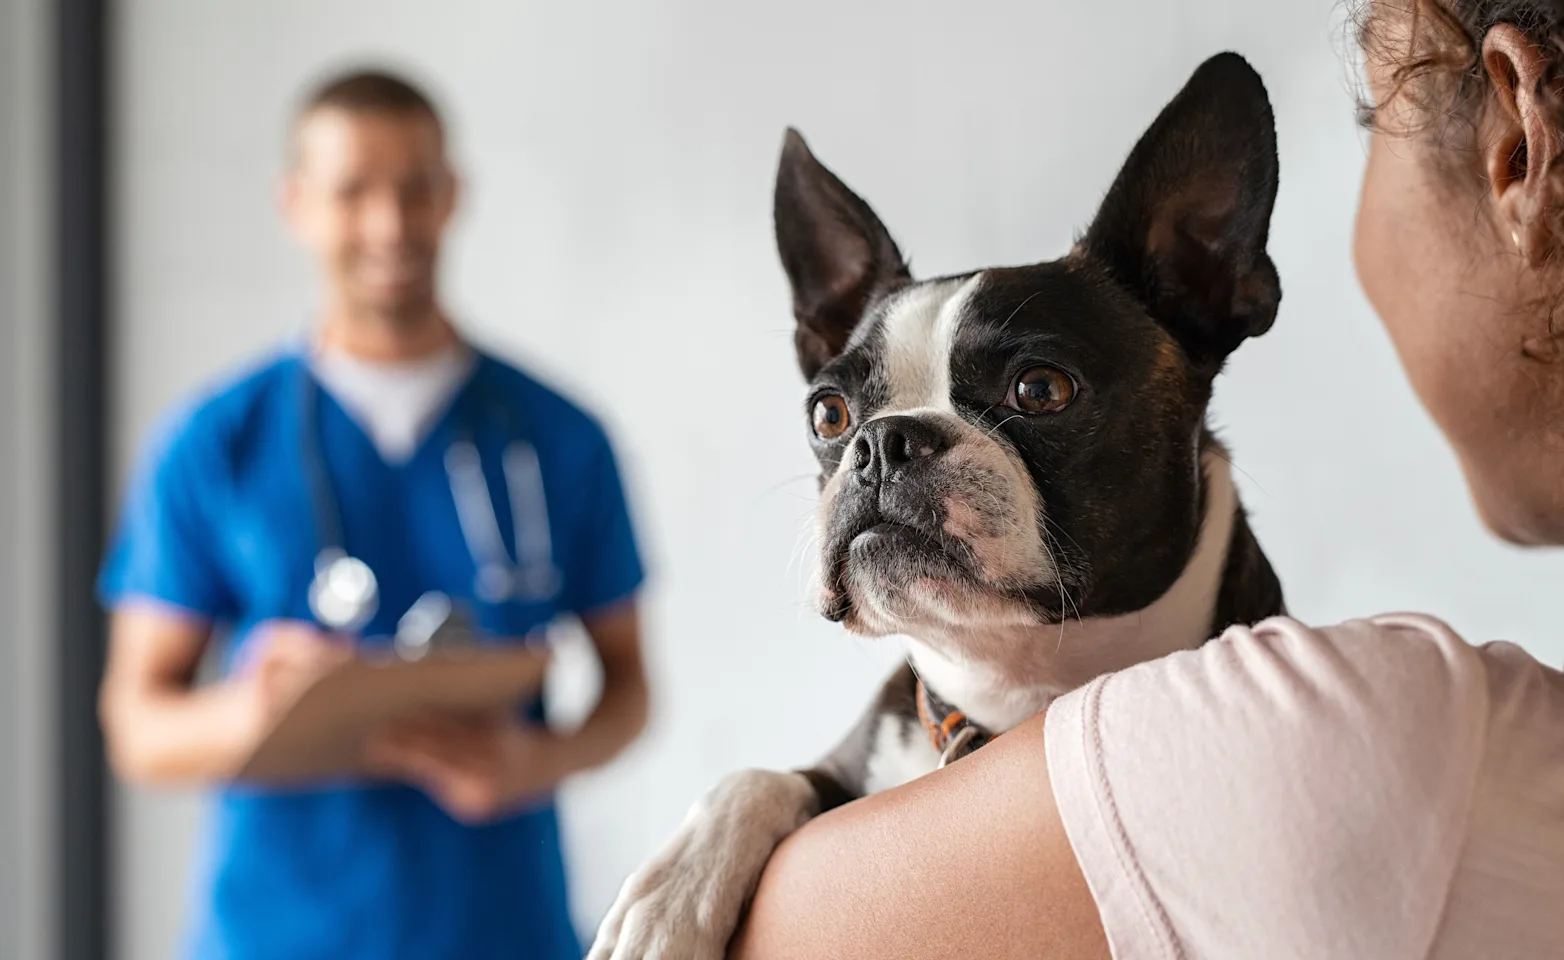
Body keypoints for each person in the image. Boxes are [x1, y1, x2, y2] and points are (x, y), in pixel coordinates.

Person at [731, 2, 1564, 957]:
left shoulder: (1322, 734)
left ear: (1515, 150)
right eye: (839, 419)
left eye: (1036, 388)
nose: (875, 455)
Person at [97, 70, 649, 959]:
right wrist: (253, 711)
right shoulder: (215, 444)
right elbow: (135, 726)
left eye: (415, 188)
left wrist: (533, 763)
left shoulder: (559, 437)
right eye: (354, 192)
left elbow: (629, 690)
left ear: (453, 195)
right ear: (297, 205)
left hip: (504, 931)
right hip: (276, 935)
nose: (390, 225)